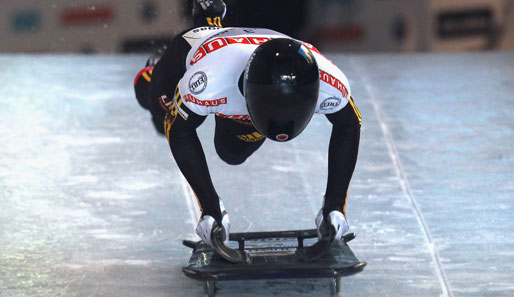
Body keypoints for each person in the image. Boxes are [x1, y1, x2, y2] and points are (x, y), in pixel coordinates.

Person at [134, 0, 361, 247]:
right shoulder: (207, 82)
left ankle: (211, 20)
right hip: (197, 47)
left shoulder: (331, 82)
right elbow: (179, 130)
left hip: (243, 54)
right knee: (160, 108)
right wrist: (211, 209)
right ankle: (192, 36)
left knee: (231, 153)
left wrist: (335, 207)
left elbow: (349, 125)